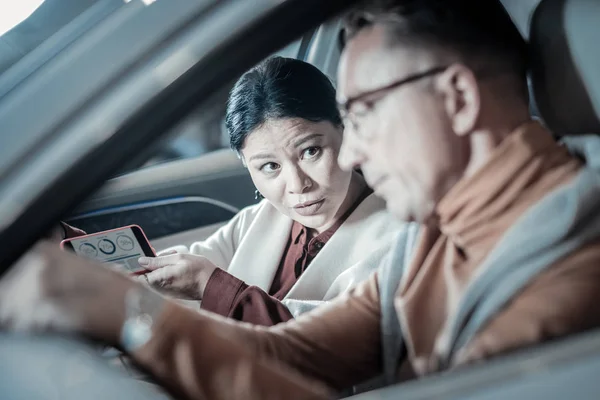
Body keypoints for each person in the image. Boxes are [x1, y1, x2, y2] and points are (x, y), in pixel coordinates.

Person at [3, 0, 600, 399]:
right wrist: (120, 306)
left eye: (361, 113)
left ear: (459, 99)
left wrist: (125, 317)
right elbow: (298, 356)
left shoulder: (563, 285)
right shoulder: (439, 232)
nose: (354, 152)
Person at [69, 56, 401, 327]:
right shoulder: (256, 221)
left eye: (310, 152)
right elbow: (177, 270)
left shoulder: (396, 233)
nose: (298, 185)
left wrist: (210, 286)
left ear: (345, 129)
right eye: (269, 167)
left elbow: (331, 342)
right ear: (246, 164)